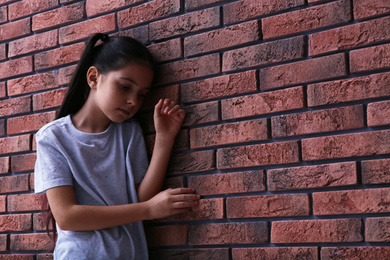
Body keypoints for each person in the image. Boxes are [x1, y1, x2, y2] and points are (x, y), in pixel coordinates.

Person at [34, 33, 200, 259]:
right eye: (124, 86)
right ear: (93, 77)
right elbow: (67, 216)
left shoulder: (129, 132)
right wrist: (149, 210)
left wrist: (164, 138)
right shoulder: (53, 137)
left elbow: (139, 197)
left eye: (142, 94)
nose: (133, 101)